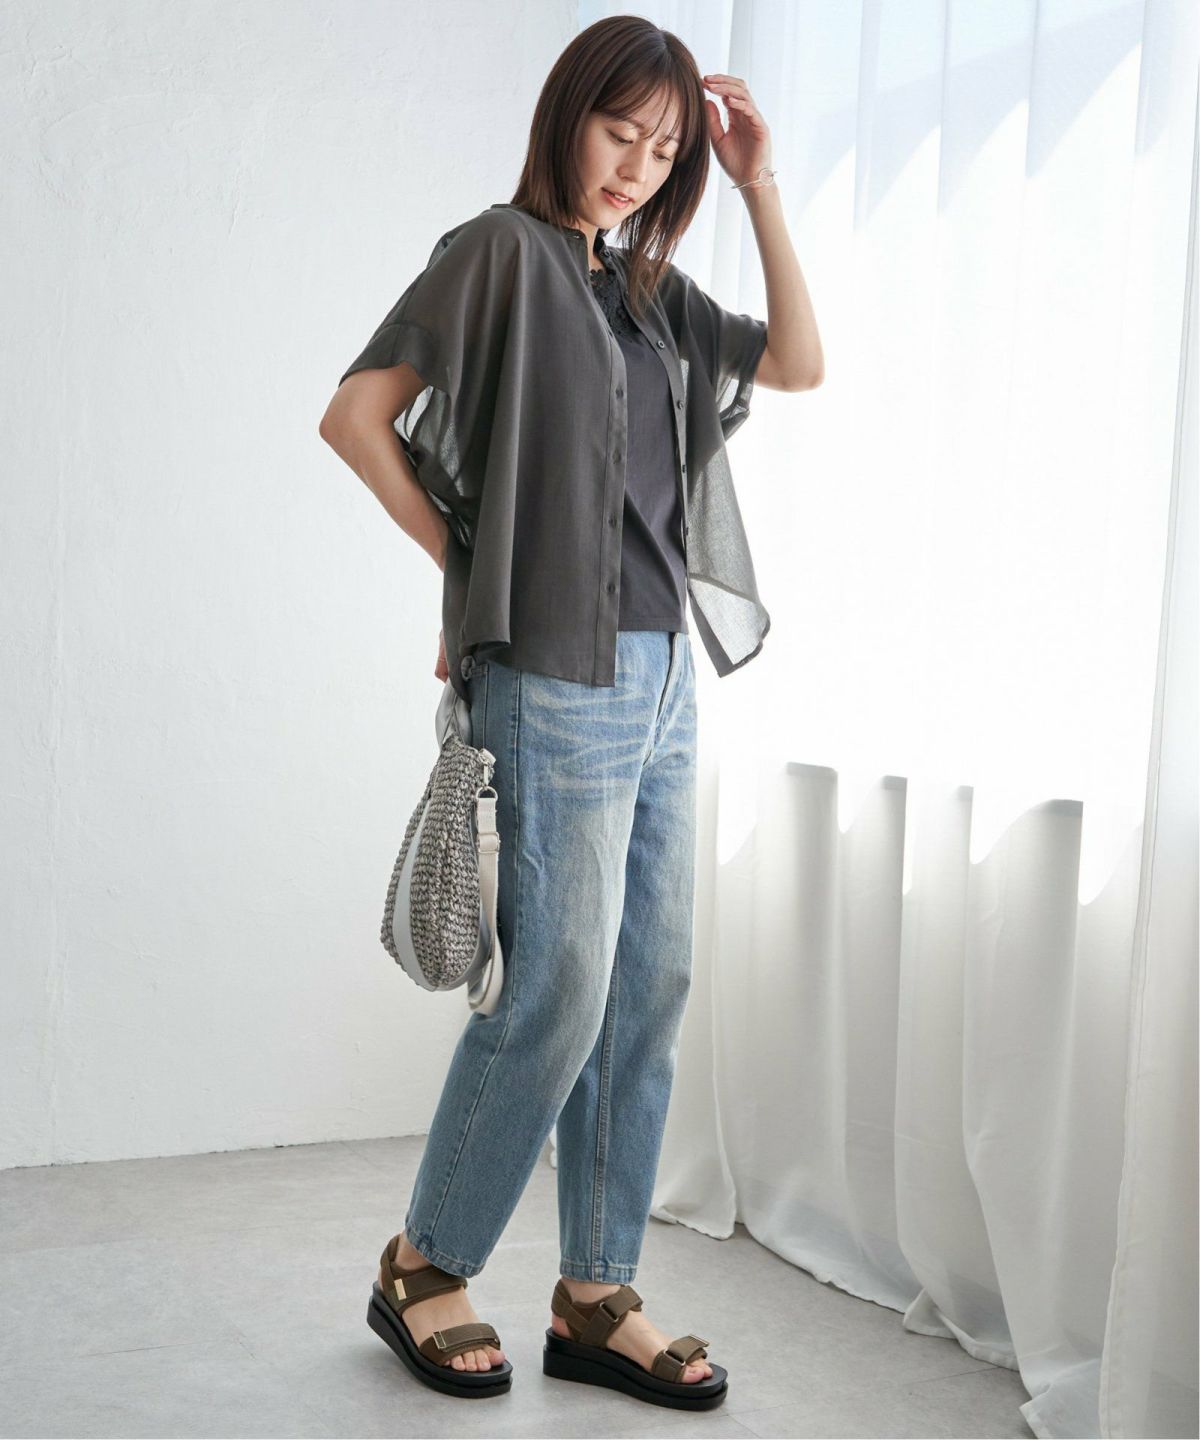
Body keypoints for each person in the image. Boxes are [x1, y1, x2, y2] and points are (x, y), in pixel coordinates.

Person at [319, 13, 822, 1411]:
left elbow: (796, 364)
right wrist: (469, 571)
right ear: (567, 117)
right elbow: (355, 417)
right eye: (620, 131)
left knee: (646, 988)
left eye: (664, 149)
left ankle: (596, 1295)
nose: (637, 165)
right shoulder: (500, 251)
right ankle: (424, 1264)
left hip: (662, 675)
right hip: (549, 670)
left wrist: (758, 185)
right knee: (560, 988)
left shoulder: (650, 292)